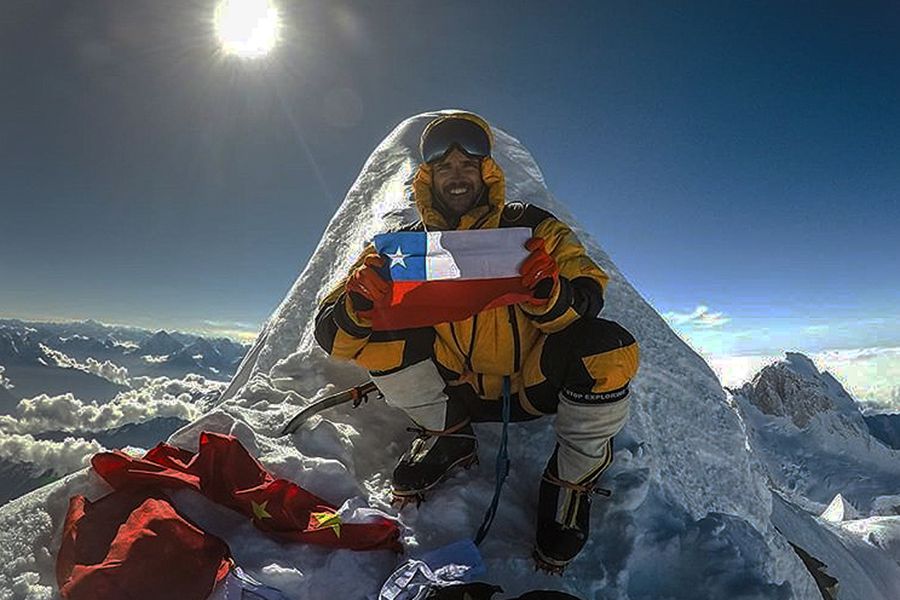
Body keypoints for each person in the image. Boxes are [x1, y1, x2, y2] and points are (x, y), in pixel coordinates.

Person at [314, 112, 640, 571]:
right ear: (428, 177)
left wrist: (551, 294)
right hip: (454, 389)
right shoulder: (402, 248)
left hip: (530, 383)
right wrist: (359, 305)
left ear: (487, 170)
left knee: (608, 350)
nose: (457, 174)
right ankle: (449, 436)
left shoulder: (532, 229)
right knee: (375, 333)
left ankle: (570, 480)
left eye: (467, 164)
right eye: (444, 167)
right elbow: (332, 330)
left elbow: (588, 292)